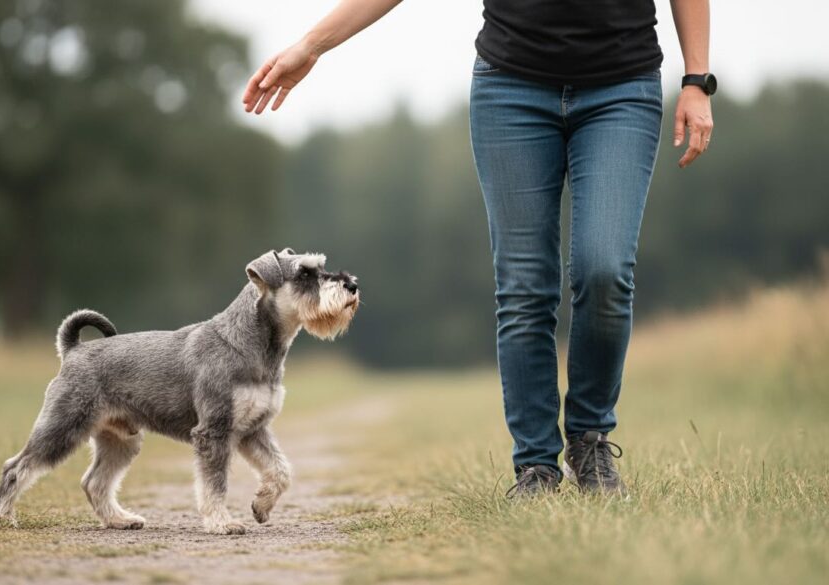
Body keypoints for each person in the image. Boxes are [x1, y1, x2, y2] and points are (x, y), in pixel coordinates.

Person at [242, 0, 714, 497]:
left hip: (622, 86)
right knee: (525, 286)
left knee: (604, 270)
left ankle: (591, 440)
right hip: (511, 89)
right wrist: (310, 46)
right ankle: (535, 467)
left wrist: (697, 79)